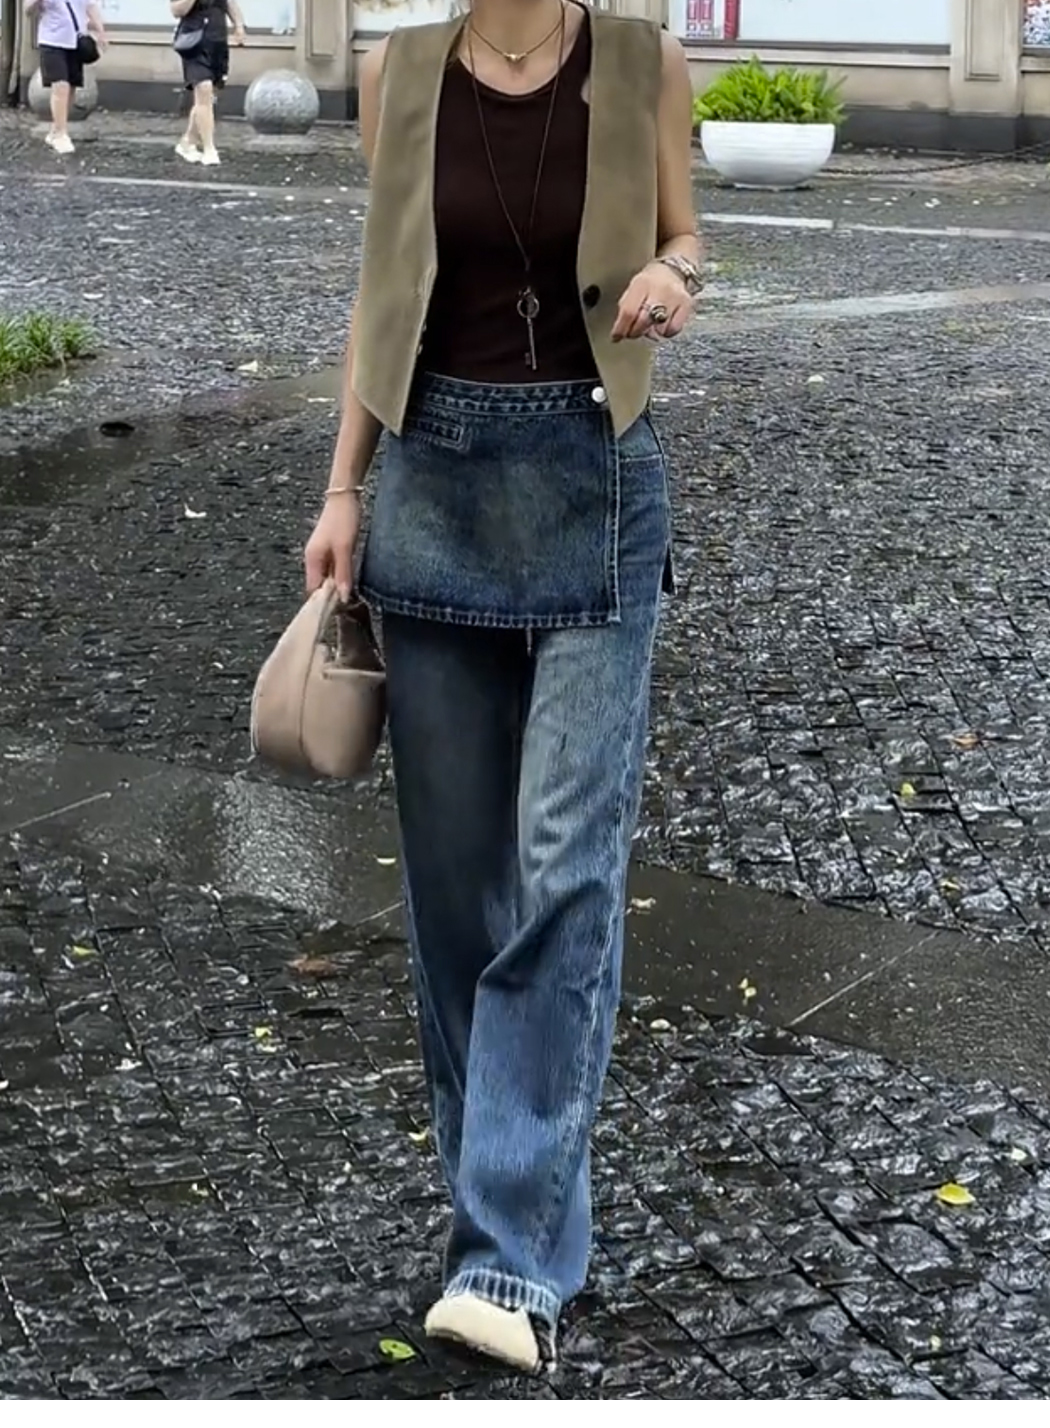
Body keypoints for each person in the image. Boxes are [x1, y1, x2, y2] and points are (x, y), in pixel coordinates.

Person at [304, 0, 702, 1375]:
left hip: (596, 484)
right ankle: (514, 1205)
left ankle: (506, 1259)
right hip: (431, 494)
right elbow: (382, 293)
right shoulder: (399, 71)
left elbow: (685, 232)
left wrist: (675, 279)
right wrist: (343, 491)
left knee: (565, 872)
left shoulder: (643, 61)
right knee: (455, 891)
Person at [24, 0, 107, 155]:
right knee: (60, 85)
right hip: (51, 41)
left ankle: (56, 129)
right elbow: (28, 11)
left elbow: (90, 6)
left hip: (75, 40)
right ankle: (61, 134)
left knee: (71, 86)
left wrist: (100, 31)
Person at [169, 0, 245, 167]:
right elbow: (177, 10)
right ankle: (209, 149)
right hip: (194, 41)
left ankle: (188, 141)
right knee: (204, 88)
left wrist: (239, 26)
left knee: (206, 97)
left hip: (217, 41)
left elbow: (230, 3)